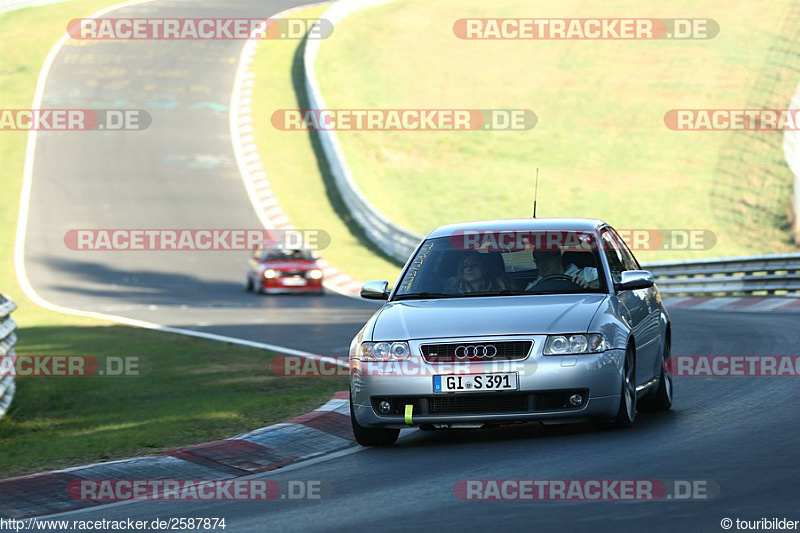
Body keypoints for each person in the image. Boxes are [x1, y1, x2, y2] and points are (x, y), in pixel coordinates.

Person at [527, 249, 599, 290]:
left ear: (559, 258)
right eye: (539, 260)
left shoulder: (587, 273)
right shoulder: (534, 287)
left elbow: (607, 281)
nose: (543, 263)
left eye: (547, 258)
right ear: (535, 263)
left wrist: (588, 285)